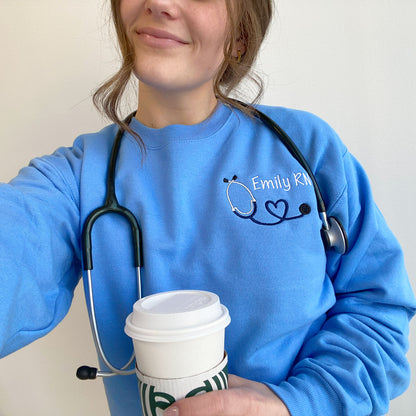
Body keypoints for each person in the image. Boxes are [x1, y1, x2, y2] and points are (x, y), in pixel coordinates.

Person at [0, 0, 415, 415]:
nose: (159, 2)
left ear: (239, 37)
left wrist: (296, 405)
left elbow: (377, 307)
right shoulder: (73, 181)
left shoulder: (307, 150)